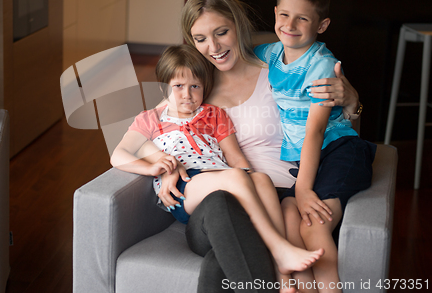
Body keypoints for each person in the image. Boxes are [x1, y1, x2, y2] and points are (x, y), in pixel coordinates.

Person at [157, 0, 362, 293]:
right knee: (226, 216)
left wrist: (352, 103)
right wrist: (167, 164)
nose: (213, 47)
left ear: (238, 24)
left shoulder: (279, 68)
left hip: (278, 194)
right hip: (223, 202)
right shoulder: (194, 88)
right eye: (200, 39)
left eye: (221, 33)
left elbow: (333, 133)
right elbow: (157, 128)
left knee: (223, 258)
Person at [110, 44, 325, 289]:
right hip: (185, 187)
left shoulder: (213, 114)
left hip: (221, 176)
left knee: (261, 180)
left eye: (195, 87)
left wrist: (252, 182)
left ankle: (283, 275)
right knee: (235, 178)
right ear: (163, 87)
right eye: (178, 86)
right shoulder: (151, 119)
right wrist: (154, 167)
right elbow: (119, 154)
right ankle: (279, 248)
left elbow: (235, 158)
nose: (187, 94)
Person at [253, 0, 376, 293]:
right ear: (276, 12)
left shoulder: (321, 66)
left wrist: (305, 188)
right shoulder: (269, 54)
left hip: (339, 150)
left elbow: (315, 132)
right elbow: (235, 57)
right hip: (308, 158)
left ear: (321, 25)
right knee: (291, 215)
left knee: (315, 227)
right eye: (284, 15)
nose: (290, 25)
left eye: (302, 18)